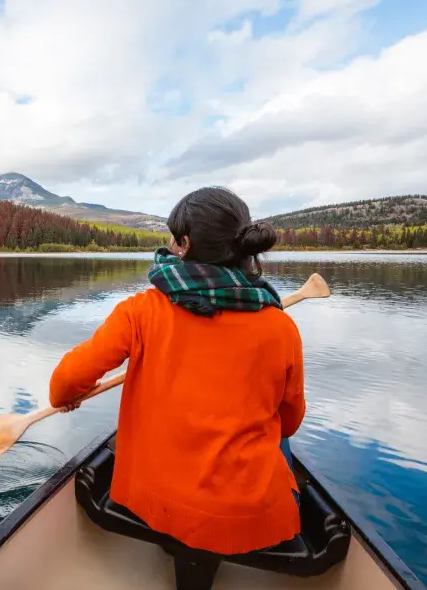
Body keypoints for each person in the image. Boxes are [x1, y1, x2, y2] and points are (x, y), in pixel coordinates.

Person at [48, 186, 305, 556]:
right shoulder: (280, 326)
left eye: (173, 234)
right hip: (253, 519)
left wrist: (69, 396)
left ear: (183, 244)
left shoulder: (140, 312)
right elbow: (291, 421)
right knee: (279, 432)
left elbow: (63, 385)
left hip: (152, 505)